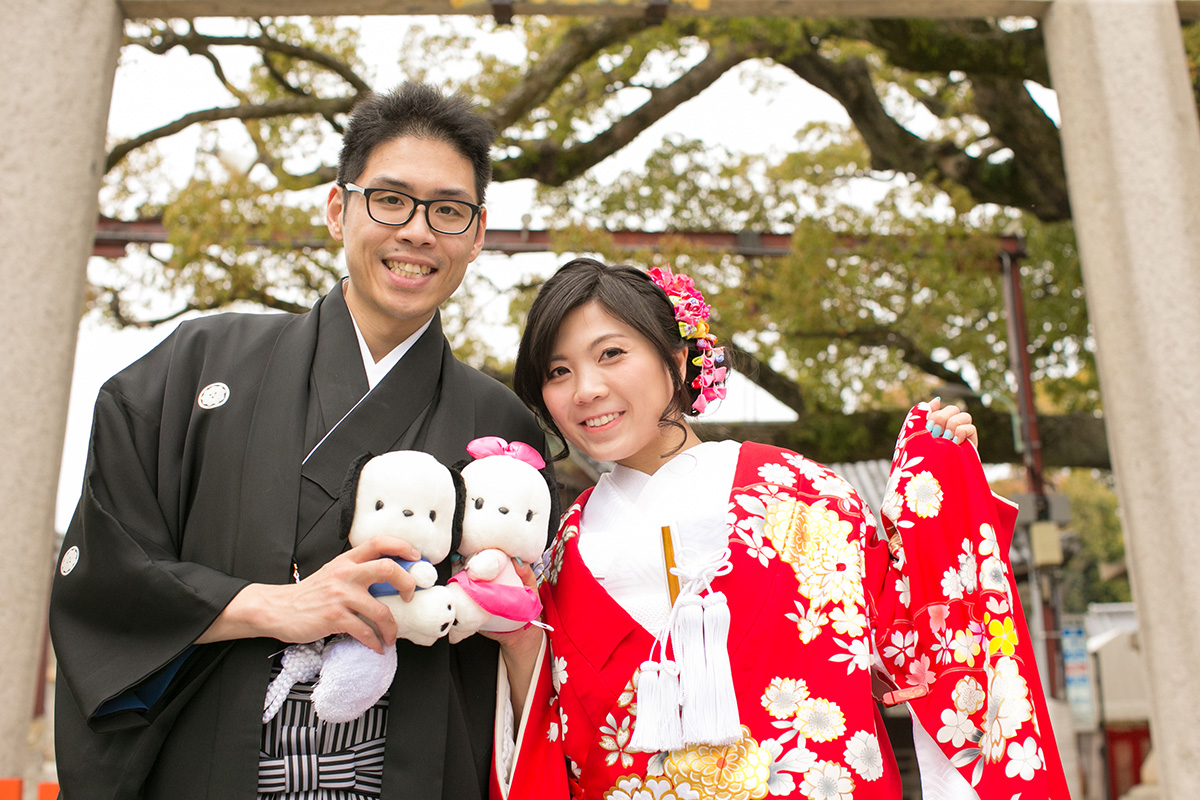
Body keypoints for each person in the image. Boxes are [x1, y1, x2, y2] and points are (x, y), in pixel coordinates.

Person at [48, 83, 546, 800]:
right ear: (339, 209)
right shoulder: (197, 366)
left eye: (448, 211)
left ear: (476, 233)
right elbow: (105, 572)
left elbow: (517, 643)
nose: (417, 232)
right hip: (217, 767)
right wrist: (264, 604)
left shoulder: (500, 424)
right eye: (391, 200)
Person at [491, 258, 1069, 799]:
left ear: (675, 355)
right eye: (559, 371)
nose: (586, 389)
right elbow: (549, 722)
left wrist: (938, 498)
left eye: (612, 353)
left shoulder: (796, 489)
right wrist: (519, 644)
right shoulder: (558, 549)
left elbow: (916, 628)